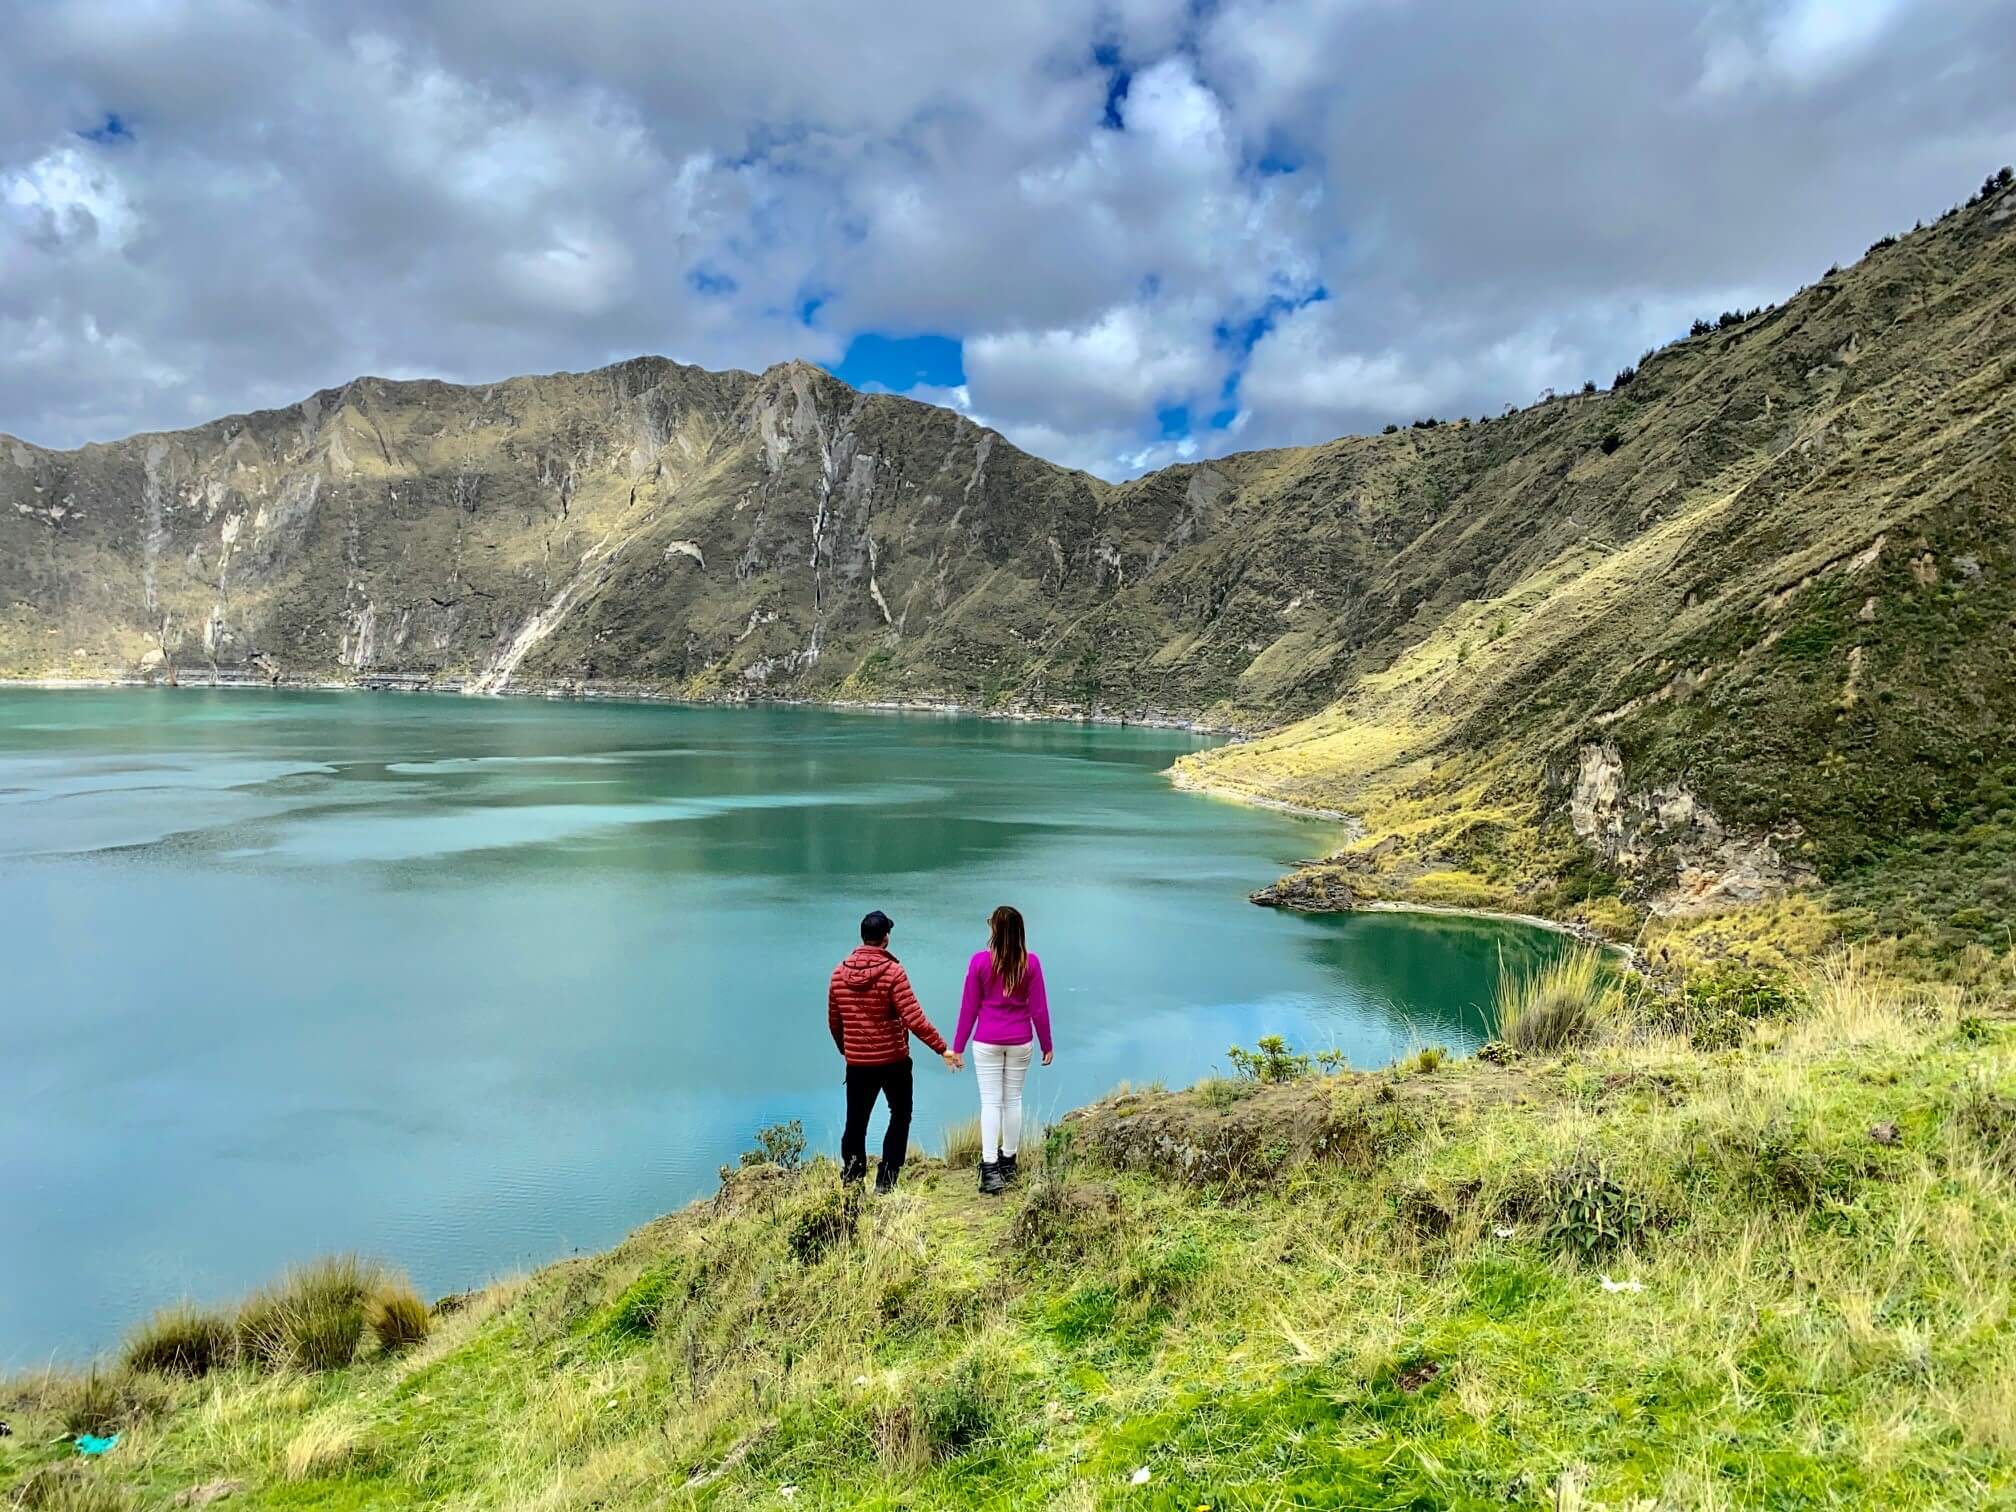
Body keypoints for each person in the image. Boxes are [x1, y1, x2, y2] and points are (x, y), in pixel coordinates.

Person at [828, 909, 959, 1193]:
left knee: (856, 1122)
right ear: (885, 938)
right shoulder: (893, 972)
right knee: (900, 1114)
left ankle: (852, 1178)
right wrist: (942, 1049)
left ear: (863, 937)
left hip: (858, 1064)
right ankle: (886, 1181)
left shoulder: (838, 974)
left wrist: (848, 1051)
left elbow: (834, 1023)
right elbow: (914, 1018)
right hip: (893, 1061)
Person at [952, 905, 1052, 1195]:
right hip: (1020, 1040)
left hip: (987, 1042)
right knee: (1013, 1100)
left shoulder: (980, 962)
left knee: (991, 1103)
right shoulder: (1030, 964)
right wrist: (1047, 1044)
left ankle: (990, 1169)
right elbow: (1039, 1009)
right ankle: (1009, 1161)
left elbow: (968, 1008)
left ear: (995, 930)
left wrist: (957, 1046)